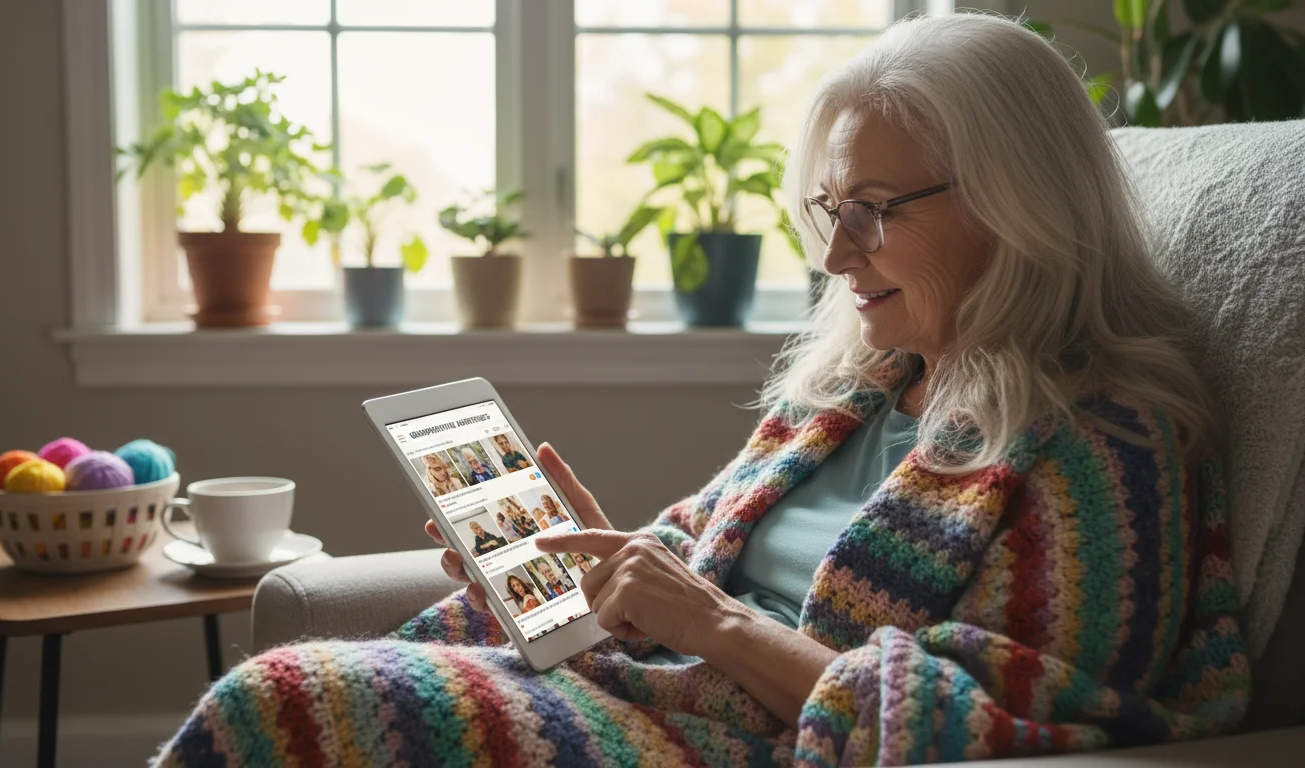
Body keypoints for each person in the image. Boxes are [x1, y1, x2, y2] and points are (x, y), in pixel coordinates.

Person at [155, 15, 1249, 766]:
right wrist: (604, 575)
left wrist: (713, 624)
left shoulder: (1103, 447)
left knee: (281, 705)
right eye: (830, 210)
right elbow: (694, 570)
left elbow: (982, 731)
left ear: (1018, 202)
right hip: (646, 694)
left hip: (735, 746)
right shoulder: (852, 392)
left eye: (875, 209)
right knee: (300, 692)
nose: (837, 257)